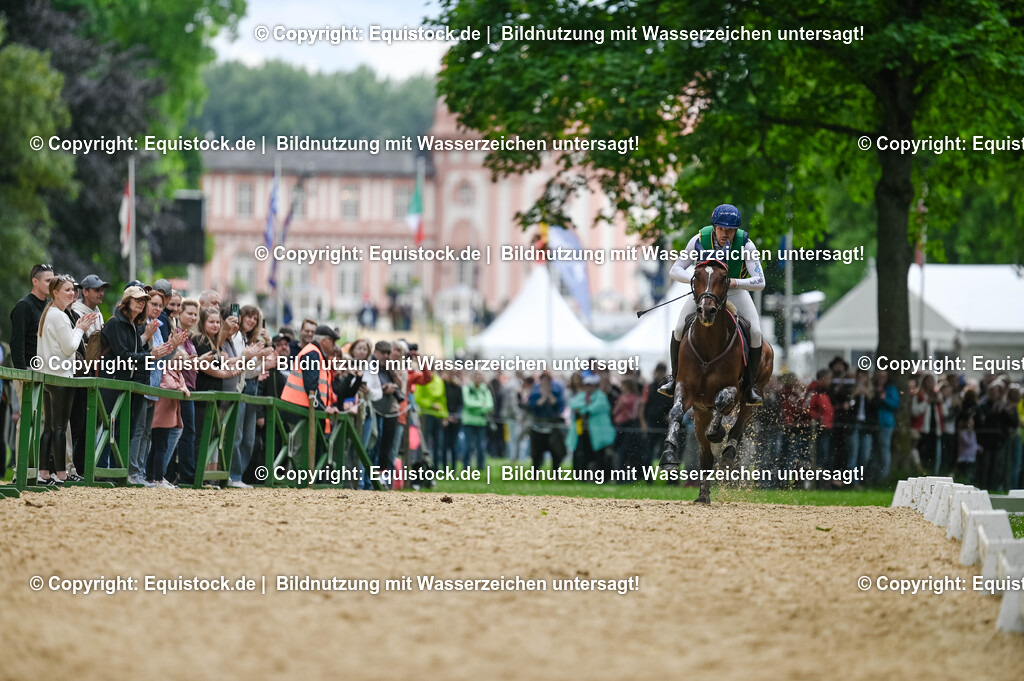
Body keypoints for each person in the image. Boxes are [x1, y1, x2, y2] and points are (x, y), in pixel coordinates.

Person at [660, 204, 766, 405]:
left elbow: (760, 282)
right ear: (714, 227)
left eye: (730, 230)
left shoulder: (746, 245)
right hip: (706, 293)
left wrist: (733, 282)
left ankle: (750, 386)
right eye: (721, 229)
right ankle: (674, 379)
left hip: (735, 291)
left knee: (756, 332)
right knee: (679, 327)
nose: (725, 234)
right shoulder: (699, 240)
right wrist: (701, 280)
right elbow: (675, 270)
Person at [99, 286, 174, 474]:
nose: (141, 303)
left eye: (143, 300)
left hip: (128, 384)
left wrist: (153, 353)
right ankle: (101, 471)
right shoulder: (116, 323)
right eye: (137, 299)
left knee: (126, 430)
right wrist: (151, 355)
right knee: (110, 428)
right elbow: (124, 356)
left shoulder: (135, 324)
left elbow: (136, 354)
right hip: (112, 382)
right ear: (127, 301)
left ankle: (118, 472)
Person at [36, 275, 97, 485]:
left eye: (73, 290)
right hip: (61, 377)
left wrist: (77, 327)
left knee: (49, 428)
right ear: (55, 292)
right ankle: (60, 473)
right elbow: (70, 347)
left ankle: (44, 473)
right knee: (59, 428)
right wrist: (79, 328)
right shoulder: (59, 316)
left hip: (48, 375)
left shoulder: (48, 313)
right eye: (67, 290)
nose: (72, 293)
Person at [279, 324, 341, 472]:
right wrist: (323, 407)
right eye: (333, 341)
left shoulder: (314, 353)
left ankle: (297, 484)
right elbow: (311, 386)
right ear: (325, 341)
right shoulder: (313, 353)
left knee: (300, 449)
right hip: (298, 409)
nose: (335, 346)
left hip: (301, 408)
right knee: (299, 449)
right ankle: (295, 486)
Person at [567, 372, 615, 478]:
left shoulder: (601, 396)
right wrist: (586, 405)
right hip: (585, 432)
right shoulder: (582, 396)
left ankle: (604, 478)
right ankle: (584, 478)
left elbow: (595, 408)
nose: (588, 387)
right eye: (586, 385)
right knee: (585, 455)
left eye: (590, 385)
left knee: (601, 456)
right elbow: (573, 404)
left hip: (600, 434)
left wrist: (583, 409)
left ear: (595, 386)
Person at [527, 372, 567, 470]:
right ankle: (534, 474)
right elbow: (530, 406)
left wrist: (550, 397)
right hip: (538, 425)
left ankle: (556, 474)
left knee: (556, 452)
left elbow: (560, 406)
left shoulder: (557, 391)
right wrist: (541, 399)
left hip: (553, 426)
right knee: (536, 453)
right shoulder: (535, 391)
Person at [461, 371, 494, 470]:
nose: (478, 378)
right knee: (469, 446)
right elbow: (468, 404)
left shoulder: (485, 390)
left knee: (481, 446)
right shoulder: (467, 389)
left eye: (480, 376)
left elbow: (490, 405)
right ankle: (466, 466)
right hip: (469, 421)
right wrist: (481, 405)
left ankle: (480, 466)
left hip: (481, 422)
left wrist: (478, 408)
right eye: (476, 376)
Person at [873, 368, 900, 481]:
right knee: (875, 449)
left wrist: (885, 399)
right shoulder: (874, 388)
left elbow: (896, 404)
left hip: (886, 423)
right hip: (874, 422)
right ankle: (874, 474)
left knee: (884, 448)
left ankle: (884, 476)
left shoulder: (890, 389)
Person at [71, 274, 108, 339]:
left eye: (102, 290)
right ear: (85, 292)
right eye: (97, 290)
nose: (101, 293)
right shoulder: (76, 313)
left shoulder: (98, 313)